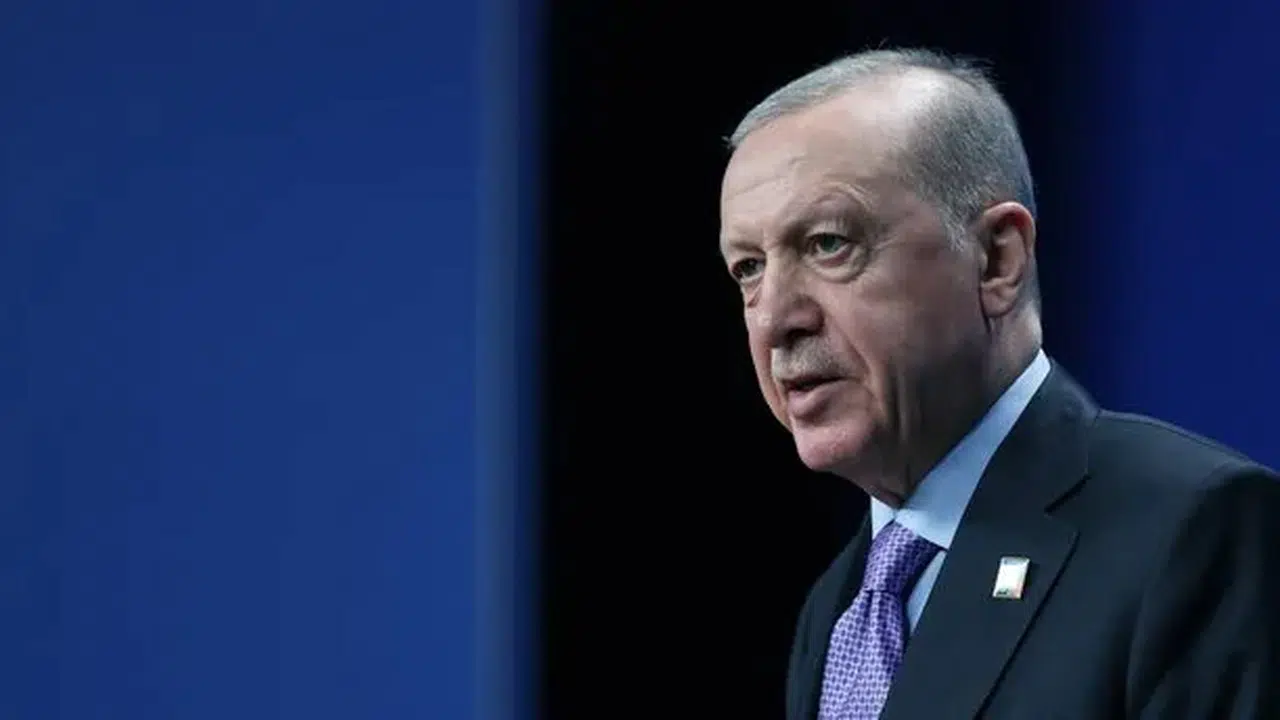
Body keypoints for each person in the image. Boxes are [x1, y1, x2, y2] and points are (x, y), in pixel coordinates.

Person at [717, 47, 1280, 720]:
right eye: (748, 268)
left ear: (996, 260)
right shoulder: (837, 607)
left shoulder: (1193, 532)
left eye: (829, 244)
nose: (775, 320)